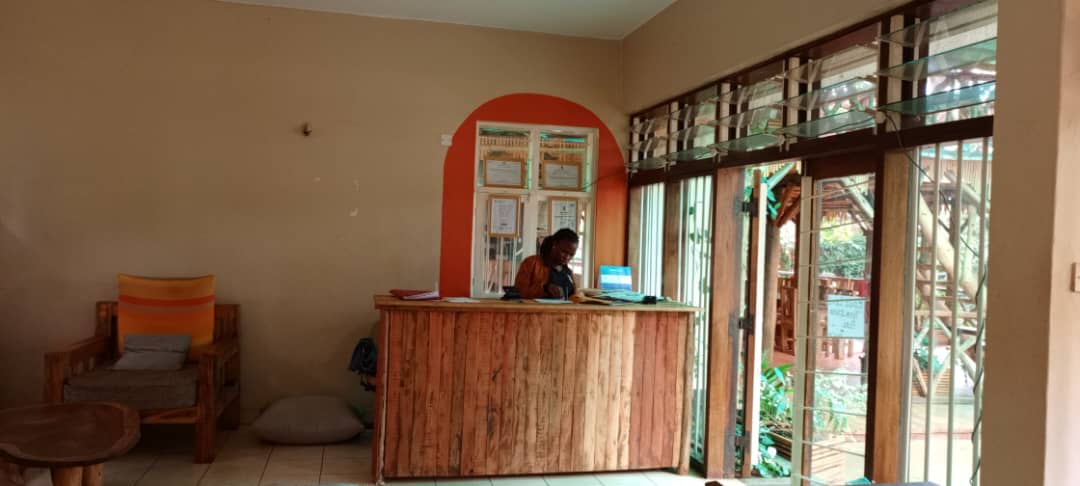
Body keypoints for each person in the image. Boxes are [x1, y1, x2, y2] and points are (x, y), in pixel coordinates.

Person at [513, 228, 579, 300]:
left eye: (571, 255)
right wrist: (545, 288)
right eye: (564, 252)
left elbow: (574, 296)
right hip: (537, 307)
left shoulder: (568, 272)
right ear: (555, 245)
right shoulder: (531, 263)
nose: (567, 257)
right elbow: (519, 292)